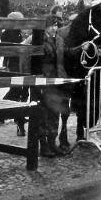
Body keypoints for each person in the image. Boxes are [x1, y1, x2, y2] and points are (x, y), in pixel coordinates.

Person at [34, 15, 70, 157]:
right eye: (52, 25)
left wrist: (82, 48)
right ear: (46, 26)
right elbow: (33, 62)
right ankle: (43, 146)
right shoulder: (38, 41)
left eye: (56, 25)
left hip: (57, 81)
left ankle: (52, 143)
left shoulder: (60, 40)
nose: (55, 28)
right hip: (44, 81)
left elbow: (66, 54)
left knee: (55, 112)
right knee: (43, 114)